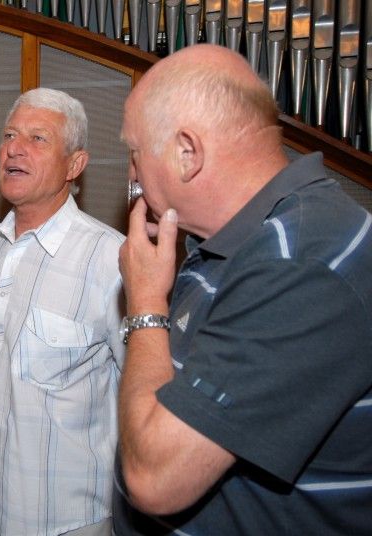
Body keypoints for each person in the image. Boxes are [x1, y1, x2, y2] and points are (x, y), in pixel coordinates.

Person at [115, 44, 372, 535]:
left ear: (187, 153)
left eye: (134, 153)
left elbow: (155, 477)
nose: (131, 174)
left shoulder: (301, 258)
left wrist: (146, 303)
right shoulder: (232, 245)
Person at [0, 88, 126, 536]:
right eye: (9, 134)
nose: (14, 148)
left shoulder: (111, 259)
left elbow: (140, 391)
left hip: (62, 518)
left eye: (38, 138)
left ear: (75, 165)